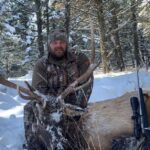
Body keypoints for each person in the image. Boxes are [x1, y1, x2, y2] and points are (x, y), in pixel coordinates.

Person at [24, 29, 93, 150]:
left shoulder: (79, 58)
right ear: (49, 45)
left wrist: (80, 104)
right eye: (54, 43)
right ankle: (33, 145)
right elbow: (38, 90)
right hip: (50, 103)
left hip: (74, 102)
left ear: (66, 44)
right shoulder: (41, 64)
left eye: (61, 42)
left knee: (77, 131)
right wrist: (52, 104)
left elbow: (87, 82)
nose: (58, 45)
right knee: (30, 107)